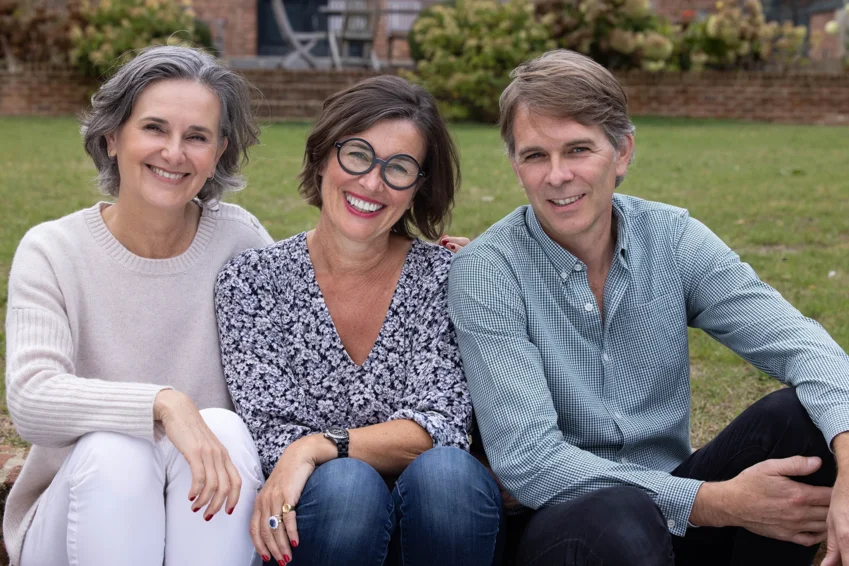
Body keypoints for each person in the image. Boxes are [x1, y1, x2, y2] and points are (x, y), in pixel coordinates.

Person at [448, 49, 849, 566]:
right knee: (621, 515)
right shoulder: (488, 270)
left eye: (577, 150)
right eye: (534, 156)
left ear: (622, 153)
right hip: (566, 525)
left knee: (803, 420)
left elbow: (803, 345)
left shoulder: (672, 237)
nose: (556, 175)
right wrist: (718, 502)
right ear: (516, 166)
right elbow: (532, 462)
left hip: (680, 505)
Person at [215, 75, 502, 566]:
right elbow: (269, 436)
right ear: (324, 156)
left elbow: (443, 428)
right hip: (320, 524)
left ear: (418, 187)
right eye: (357, 155)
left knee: (448, 474)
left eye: (400, 167)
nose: (372, 182)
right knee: (347, 486)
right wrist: (320, 456)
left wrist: (317, 445)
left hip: (438, 524)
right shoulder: (251, 281)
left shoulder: (448, 278)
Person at [4, 46, 273, 566]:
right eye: (154, 128)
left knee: (224, 429)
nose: (174, 153)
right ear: (112, 136)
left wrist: (419, 255)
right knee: (116, 451)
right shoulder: (53, 250)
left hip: (200, 519)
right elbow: (32, 401)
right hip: (72, 520)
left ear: (218, 152)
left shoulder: (239, 241)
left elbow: (312, 314)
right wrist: (164, 404)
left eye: (197, 136)